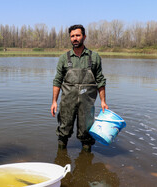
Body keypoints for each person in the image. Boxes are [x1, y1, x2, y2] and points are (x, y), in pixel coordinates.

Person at [51, 24, 108, 152]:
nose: (75, 38)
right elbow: (57, 80)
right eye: (72, 36)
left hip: (87, 105)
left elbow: (100, 80)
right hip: (67, 103)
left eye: (77, 35)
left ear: (84, 36)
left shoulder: (94, 57)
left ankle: (86, 161)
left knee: (86, 134)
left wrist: (103, 101)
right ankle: (61, 158)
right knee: (63, 132)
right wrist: (54, 101)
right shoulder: (63, 58)